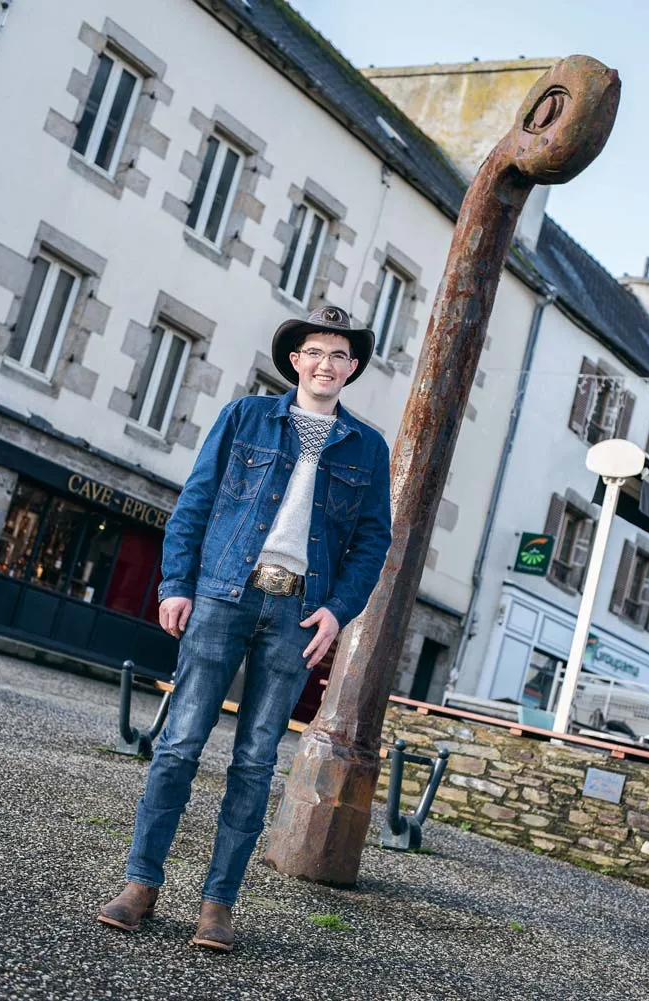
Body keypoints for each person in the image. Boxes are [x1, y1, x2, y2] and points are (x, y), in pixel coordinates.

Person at [97, 305, 392, 951]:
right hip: (222, 594)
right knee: (179, 744)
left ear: (352, 367)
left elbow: (373, 540)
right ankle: (140, 885)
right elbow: (197, 501)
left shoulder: (367, 447)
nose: (326, 364)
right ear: (296, 359)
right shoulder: (245, 417)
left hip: (297, 613)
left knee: (255, 761)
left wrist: (338, 609)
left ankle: (217, 905)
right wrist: (176, 583)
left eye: (339, 355)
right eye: (315, 352)